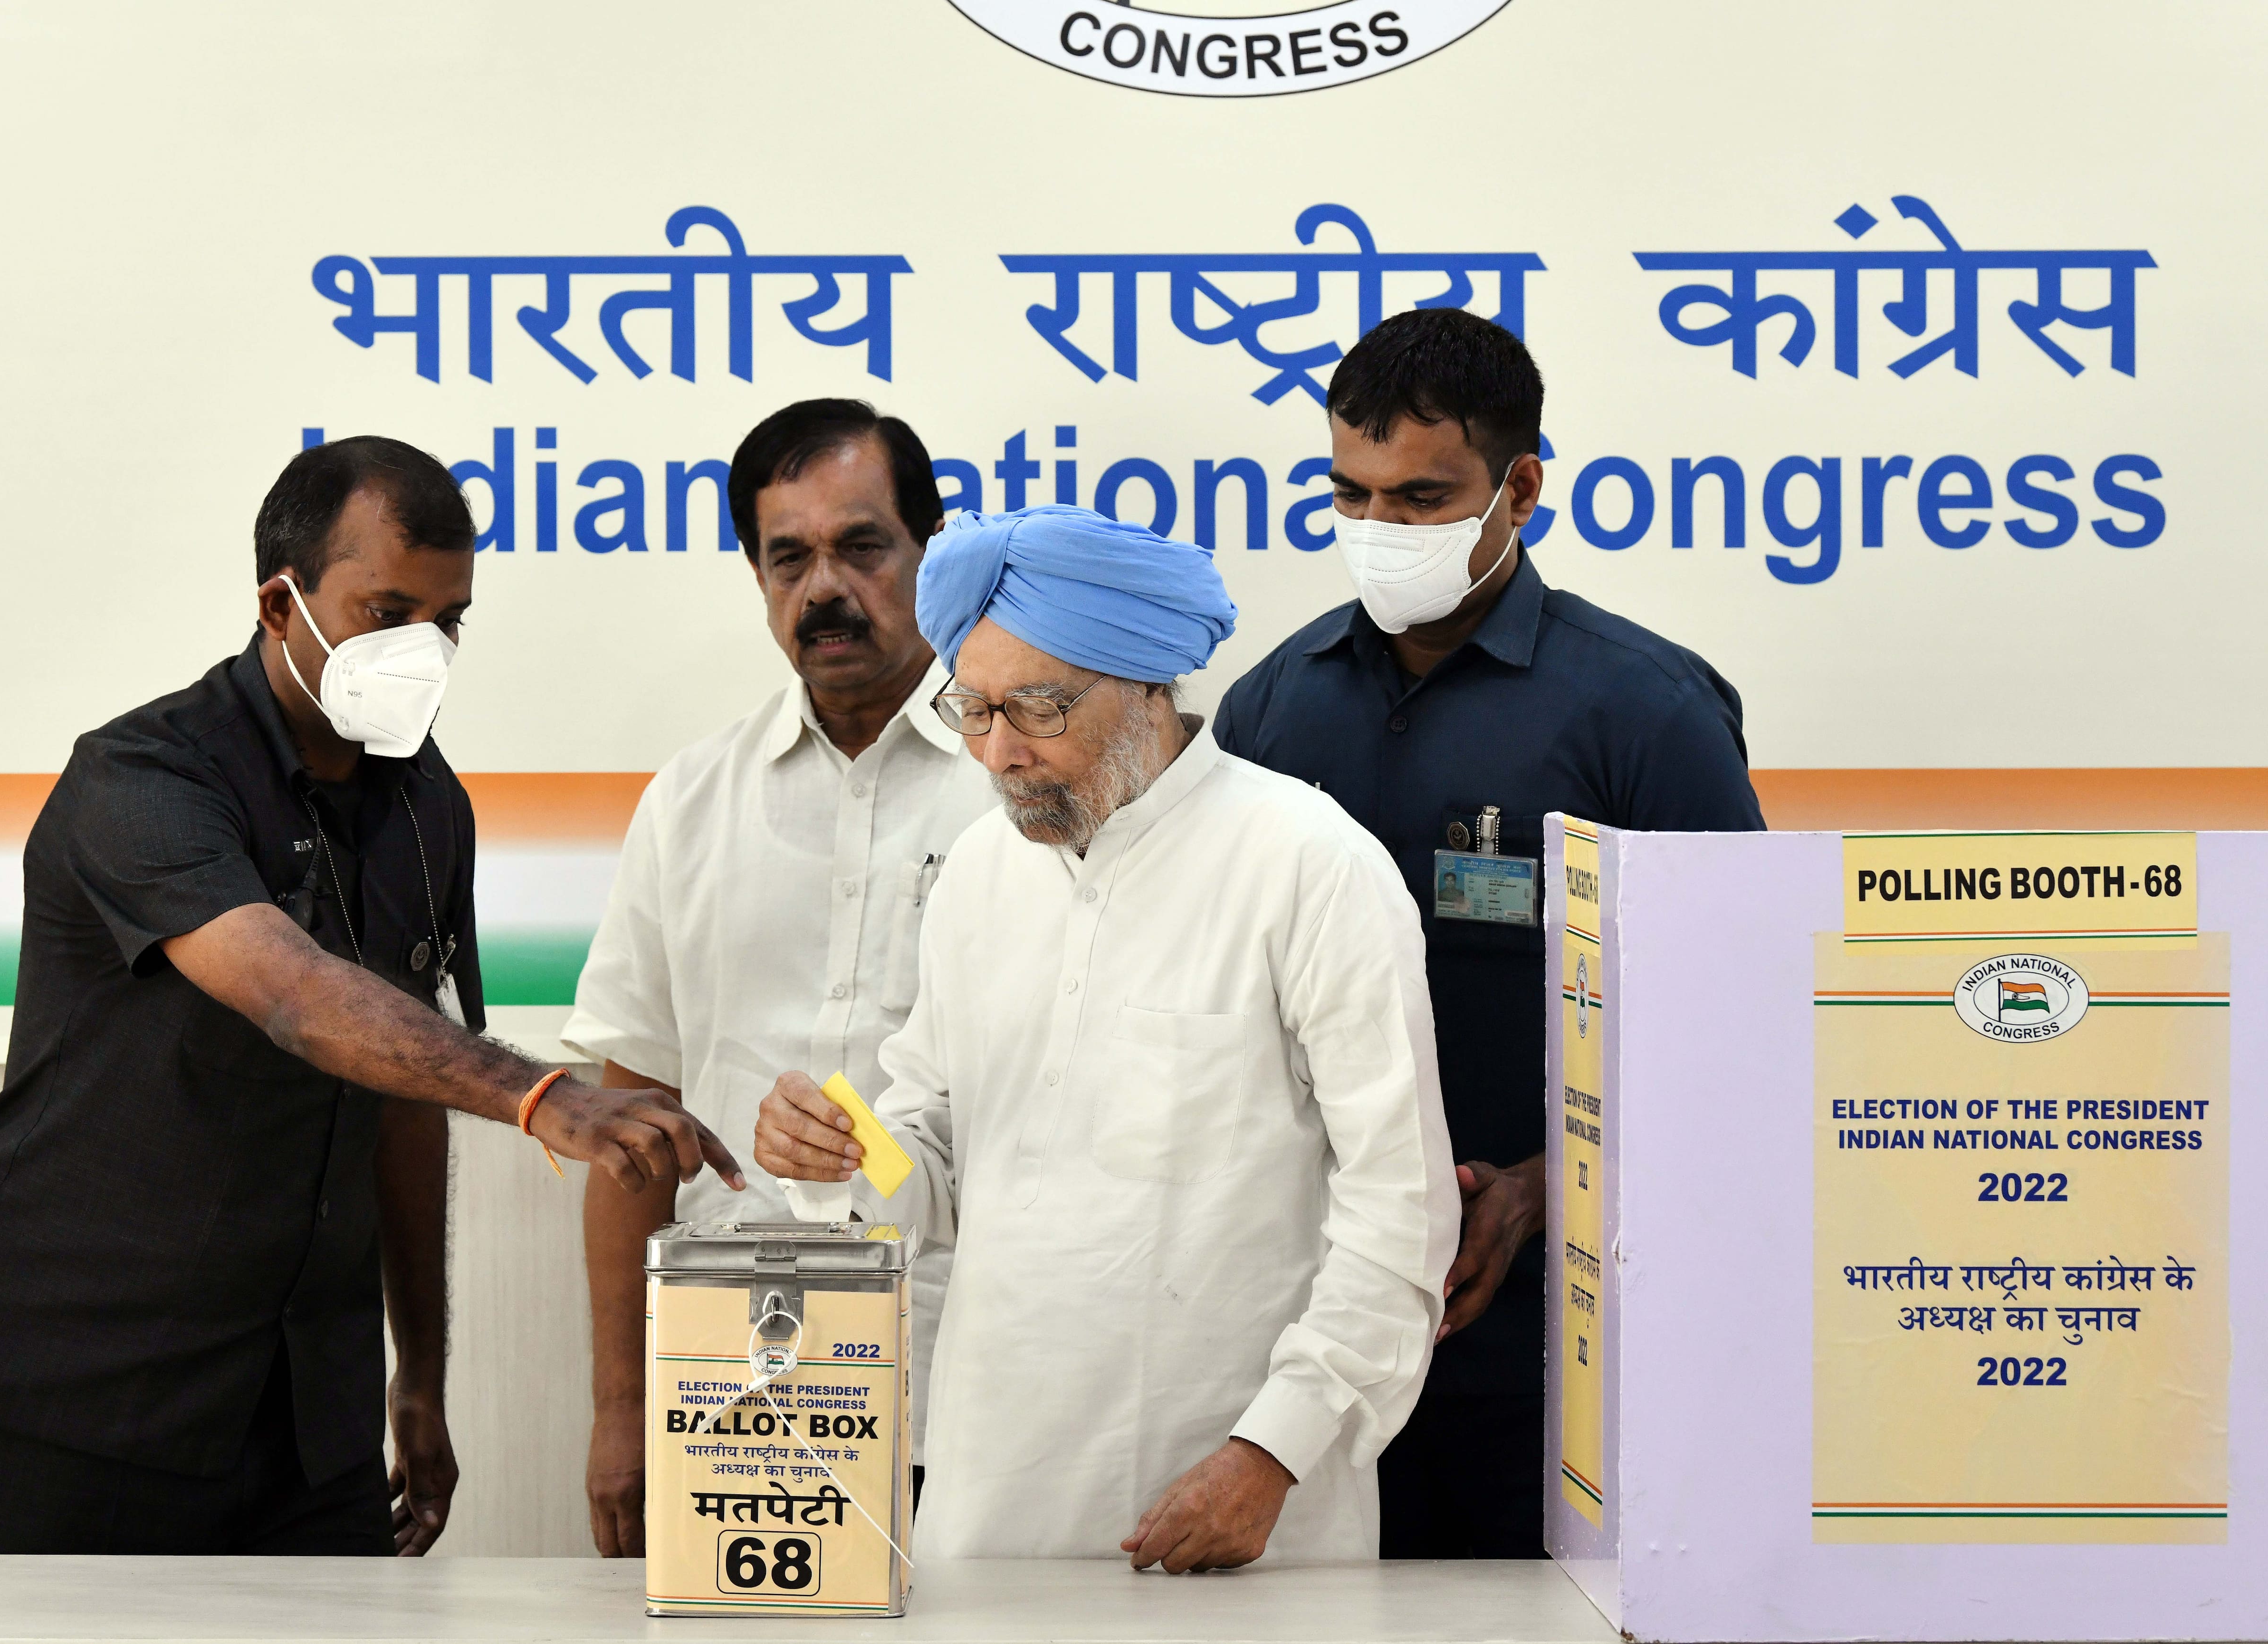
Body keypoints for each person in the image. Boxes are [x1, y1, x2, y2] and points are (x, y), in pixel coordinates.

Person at [0, 437, 740, 1556]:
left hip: (307, 1414)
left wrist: (420, 1378)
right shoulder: (142, 776)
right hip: (79, 1377)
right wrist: (545, 1097)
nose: (421, 652)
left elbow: (402, 1090)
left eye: (449, 621)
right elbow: (296, 996)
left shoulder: (432, 806)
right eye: (388, 610)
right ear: (279, 603)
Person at [754, 504, 1457, 1572]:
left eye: (1036, 707)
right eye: (973, 708)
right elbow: (933, 1151)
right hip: (992, 1496)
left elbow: (1400, 1212)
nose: (998, 752)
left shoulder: (1310, 864)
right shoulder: (980, 873)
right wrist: (847, 1150)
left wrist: (1273, 1450)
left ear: (1143, 684)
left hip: (1236, 1504)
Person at [1215, 308, 1766, 1558]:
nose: (1381, 531)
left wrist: (1546, 1189)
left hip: (1557, 1349)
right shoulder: (1269, 709)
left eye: (1422, 497)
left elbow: (1734, 1036)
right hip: (1310, 1350)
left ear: (1519, 488)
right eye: (1352, 496)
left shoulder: (1647, 711)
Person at [566, 399, 994, 1556]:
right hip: (733, 1387)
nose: (824, 589)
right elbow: (630, 1127)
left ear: (930, 554)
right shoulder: (691, 803)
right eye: (787, 558)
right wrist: (620, 1406)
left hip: (973, 1384)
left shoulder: (1021, 794)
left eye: (862, 547)